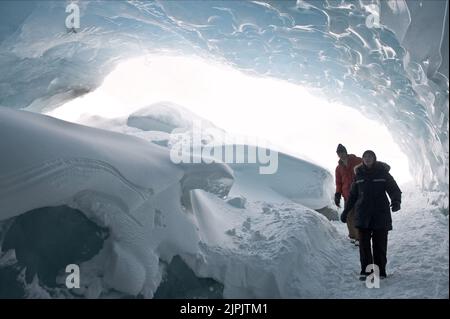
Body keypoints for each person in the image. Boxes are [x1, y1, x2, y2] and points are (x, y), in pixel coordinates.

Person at [340, 150, 402, 280]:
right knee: (364, 246)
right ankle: (366, 271)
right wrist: (346, 211)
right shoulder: (358, 175)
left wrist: (396, 201)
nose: (367, 159)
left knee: (380, 245)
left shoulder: (383, 172)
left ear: (374, 158)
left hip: (380, 214)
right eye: (365, 157)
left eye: (370, 156)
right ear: (362, 159)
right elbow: (352, 195)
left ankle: (380, 272)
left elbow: (394, 188)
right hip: (363, 214)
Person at [334, 144, 363, 245]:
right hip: (347, 195)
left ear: (346, 152)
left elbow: (369, 165)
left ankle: (360, 238)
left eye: (342, 152)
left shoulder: (357, 160)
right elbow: (338, 182)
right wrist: (337, 193)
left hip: (359, 193)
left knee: (359, 215)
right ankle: (352, 236)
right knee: (349, 215)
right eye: (339, 153)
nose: (341, 155)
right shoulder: (338, 168)